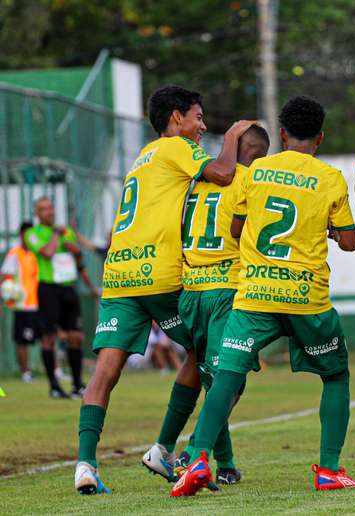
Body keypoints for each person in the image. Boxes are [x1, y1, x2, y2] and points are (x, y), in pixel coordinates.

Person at [172, 96, 355, 496]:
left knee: (227, 374)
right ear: (321, 138)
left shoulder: (257, 171)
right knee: (335, 374)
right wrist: (328, 231)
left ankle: (198, 459)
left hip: (255, 293)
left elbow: (238, 230)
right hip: (305, 295)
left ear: (282, 134)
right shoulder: (330, 178)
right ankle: (329, 470)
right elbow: (349, 242)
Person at [73, 84, 256, 495]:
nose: (202, 127)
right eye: (198, 118)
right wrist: (230, 137)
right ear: (176, 118)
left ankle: (85, 464)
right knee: (211, 360)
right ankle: (176, 451)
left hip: (120, 273)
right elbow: (224, 173)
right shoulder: (174, 146)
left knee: (106, 369)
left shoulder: (141, 158)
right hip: (162, 275)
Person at [142, 125, 270, 486]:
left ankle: (220, 462)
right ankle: (190, 455)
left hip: (190, 289)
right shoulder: (249, 180)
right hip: (226, 290)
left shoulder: (196, 181)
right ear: (259, 155)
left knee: (208, 372)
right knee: (230, 380)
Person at [25, 197, 98, 399]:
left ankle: (77, 384)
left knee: (76, 336)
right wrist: (58, 235)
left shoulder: (66, 231)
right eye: (43, 209)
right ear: (37, 213)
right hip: (48, 287)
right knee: (49, 336)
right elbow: (47, 252)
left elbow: (78, 257)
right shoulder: (33, 234)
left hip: (68, 286)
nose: (49, 212)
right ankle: (54, 386)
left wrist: (76, 252)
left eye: (50, 208)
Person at [1, 221, 39, 382]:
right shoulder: (14, 253)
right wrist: (6, 294)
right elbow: (5, 277)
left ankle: (56, 370)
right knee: (21, 339)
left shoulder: (36, 252)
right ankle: (25, 372)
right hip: (22, 305)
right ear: (23, 234)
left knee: (47, 336)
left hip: (39, 302)